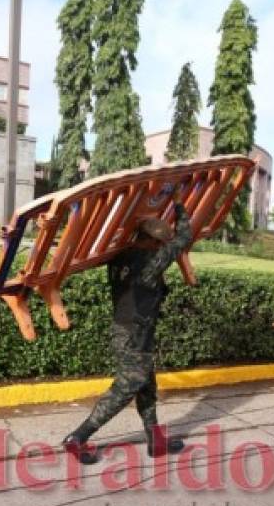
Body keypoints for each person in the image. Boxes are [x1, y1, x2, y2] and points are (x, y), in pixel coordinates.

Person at [63, 187, 192, 463]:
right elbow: (184, 237)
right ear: (152, 242)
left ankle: (155, 441)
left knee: (146, 385)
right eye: (159, 243)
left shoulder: (119, 257)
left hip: (125, 329)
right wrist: (180, 206)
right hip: (136, 333)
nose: (161, 248)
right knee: (127, 386)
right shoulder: (151, 262)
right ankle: (78, 437)